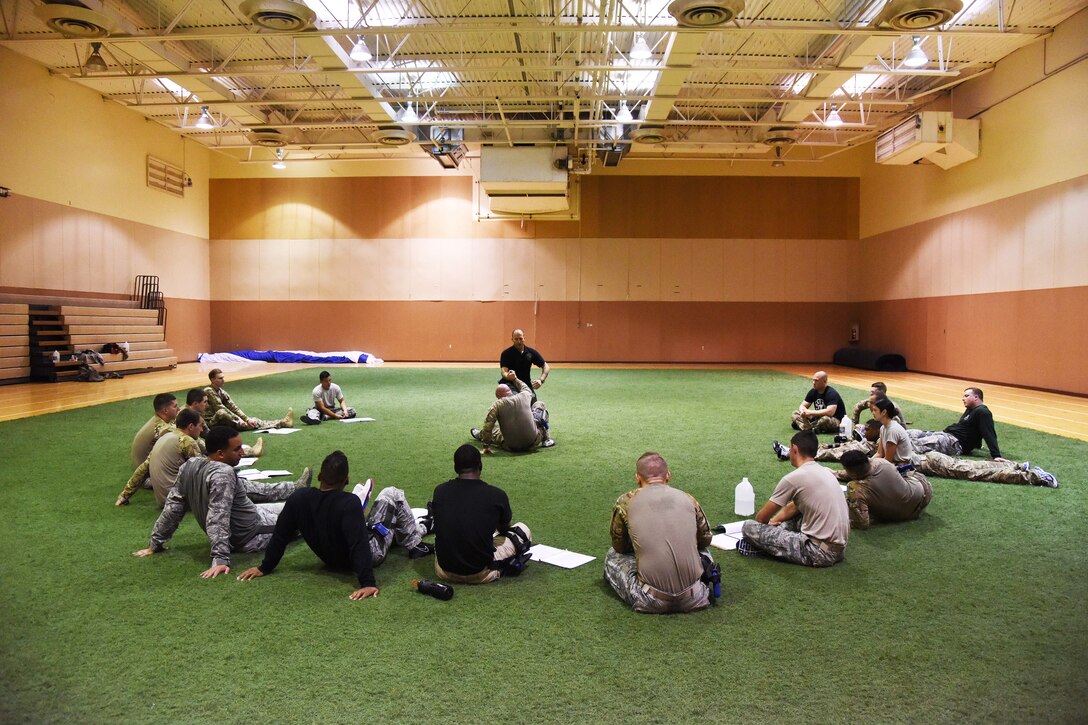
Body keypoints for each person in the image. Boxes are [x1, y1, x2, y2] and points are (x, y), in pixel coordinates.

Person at [237, 450, 432, 599]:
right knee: (391, 494)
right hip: (370, 554)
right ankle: (416, 543)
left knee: (381, 525)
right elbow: (358, 544)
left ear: (320, 476)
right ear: (346, 480)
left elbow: (280, 535)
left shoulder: (298, 498)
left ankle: (422, 527)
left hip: (331, 559)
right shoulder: (349, 503)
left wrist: (265, 567)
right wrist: (367, 583)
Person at [133, 426, 311, 578]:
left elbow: (173, 507)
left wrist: (155, 543)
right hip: (253, 534)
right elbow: (218, 516)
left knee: (271, 496)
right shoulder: (222, 474)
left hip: (253, 516)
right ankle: (298, 492)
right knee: (306, 514)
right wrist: (220, 558)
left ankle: (295, 487)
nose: (242, 452)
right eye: (237, 449)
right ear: (220, 454)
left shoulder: (190, 465)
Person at [605, 452, 715, 614]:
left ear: (637, 478)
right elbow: (705, 540)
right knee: (703, 551)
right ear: (668, 476)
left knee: (612, 555)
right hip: (696, 596)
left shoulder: (625, 502)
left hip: (649, 599)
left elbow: (620, 547)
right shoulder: (688, 499)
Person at [739, 430, 849, 567]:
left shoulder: (794, 478)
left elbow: (761, 518)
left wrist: (769, 524)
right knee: (794, 516)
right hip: (839, 550)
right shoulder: (825, 472)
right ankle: (781, 534)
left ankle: (767, 545)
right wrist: (776, 521)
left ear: (795, 449)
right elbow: (795, 507)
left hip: (818, 553)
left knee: (748, 527)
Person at [430, 444, 532, 584]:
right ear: (480, 465)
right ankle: (496, 567)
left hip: (444, 570)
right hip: (479, 572)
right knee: (522, 529)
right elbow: (504, 528)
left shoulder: (440, 491)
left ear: (455, 467)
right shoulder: (496, 495)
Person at [116, 409, 204, 507]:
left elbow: (143, 469)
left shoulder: (163, 437)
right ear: (191, 426)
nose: (202, 430)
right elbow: (201, 473)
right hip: (179, 501)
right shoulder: (188, 441)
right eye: (200, 426)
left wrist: (124, 495)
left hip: (163, 500)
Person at [839, 450, 932, 529]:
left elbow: (861, 523)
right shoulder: (881, 462)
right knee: (905, 476)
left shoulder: (856, 488)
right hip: (923, 493)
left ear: (852, 473)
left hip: (903, 515)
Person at [906, 387, 1005, 460]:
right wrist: (977, 444)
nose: (963, 398)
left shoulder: (983, 412)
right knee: (909, 433)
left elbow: (988, 432)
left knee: (914, 444)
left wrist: (996, 455)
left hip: (954, 443)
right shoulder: (971, 409)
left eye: (966, 396)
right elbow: (971, 428)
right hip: (945, 435)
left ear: (976, 397)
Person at [471, 370, 554, 452]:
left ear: (498, 396)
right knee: (540, 405)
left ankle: (480, 436)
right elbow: (525, 387)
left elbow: (488, 426)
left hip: (512, 446)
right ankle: (546, 439)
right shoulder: (525, 395)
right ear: (509, 391)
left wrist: (486, 445)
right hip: (533, 441)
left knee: (494, 429)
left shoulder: (497, 405)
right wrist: (515, 379)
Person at [202, 368, 293, 431]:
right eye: (220, 378)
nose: (223, 380)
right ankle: (282, 423)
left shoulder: (221, 391)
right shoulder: (209, 391)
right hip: (211, 423)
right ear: (212, 379)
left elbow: (233, 407)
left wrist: (246, 419)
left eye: (223, 378)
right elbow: (220, 408)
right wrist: (239, 420)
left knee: (252, 421)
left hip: (223, 420)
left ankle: (282, 422)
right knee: (222, 412)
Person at [187, 387, 263, 457]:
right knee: (208, 450)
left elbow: (207, 434)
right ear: (195, 404)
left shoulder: (196, 415)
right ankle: (249, 451)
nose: (207, 405)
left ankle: (246, 450)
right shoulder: (186, 415)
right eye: (205, 402)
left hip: (188, 442)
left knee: (212, 446)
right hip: (185, 444)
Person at [916, 451, 1059, 488]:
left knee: (978, 473)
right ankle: (1016, 466)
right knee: (974, 466)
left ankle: (1035, 476)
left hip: (929, 463)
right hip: (930, 459)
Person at [774, 419, 880, 463]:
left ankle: (789, 454)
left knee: (824, 453)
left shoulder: (879, 442)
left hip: (853, 452)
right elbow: (850, 443)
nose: (865, 432)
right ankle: (790, 450)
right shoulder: (868, 439)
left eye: (868, 430)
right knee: (822, 447)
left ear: (877, 431)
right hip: (852, 447)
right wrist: (831, 445)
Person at [499, 328, 549, 402]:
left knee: (533, 403)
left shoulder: (531, 353)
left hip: (526, 385)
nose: (519, 341)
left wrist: (541, 380)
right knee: (516, 403)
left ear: (524, 338)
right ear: (512, 339)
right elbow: (504, 372)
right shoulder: (506, 353)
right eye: (516, 339)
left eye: (521, 338)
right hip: (510, 384)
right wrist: (508, 376)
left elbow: (546, 367)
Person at [131, 393, 180, 468]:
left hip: (140, 465)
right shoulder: (163, 429)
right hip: (147, 474)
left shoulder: (157, 420)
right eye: (175, 406)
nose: (178, 409)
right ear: (165, 410)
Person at [873, 398, 915, 466]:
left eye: (875, 410)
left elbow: (888, 460)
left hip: (900, 466)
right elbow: (879, 454)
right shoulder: (883, 428)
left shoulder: (893, 430)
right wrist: (868, 462)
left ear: (884, 412)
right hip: (891, 463)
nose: (873, 413)